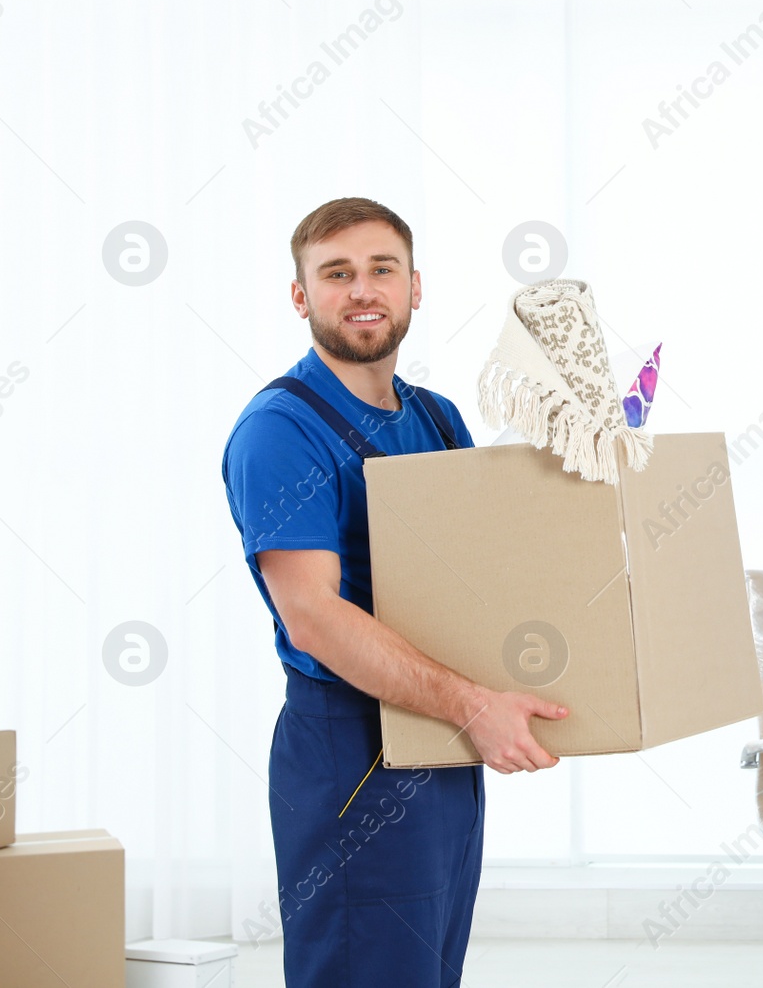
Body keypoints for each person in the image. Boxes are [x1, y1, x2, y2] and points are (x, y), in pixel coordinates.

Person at [221, 197, 567, 987]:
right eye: (336, 273)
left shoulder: (438, 420)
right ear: (302, 296)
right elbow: (312, 617)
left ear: (416, 286)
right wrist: (472, 704)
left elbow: (482, 575)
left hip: (444, 744)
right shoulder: (281, 429)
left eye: (382, 269)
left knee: (427, 971)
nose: (363, 289)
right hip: (353, 751)